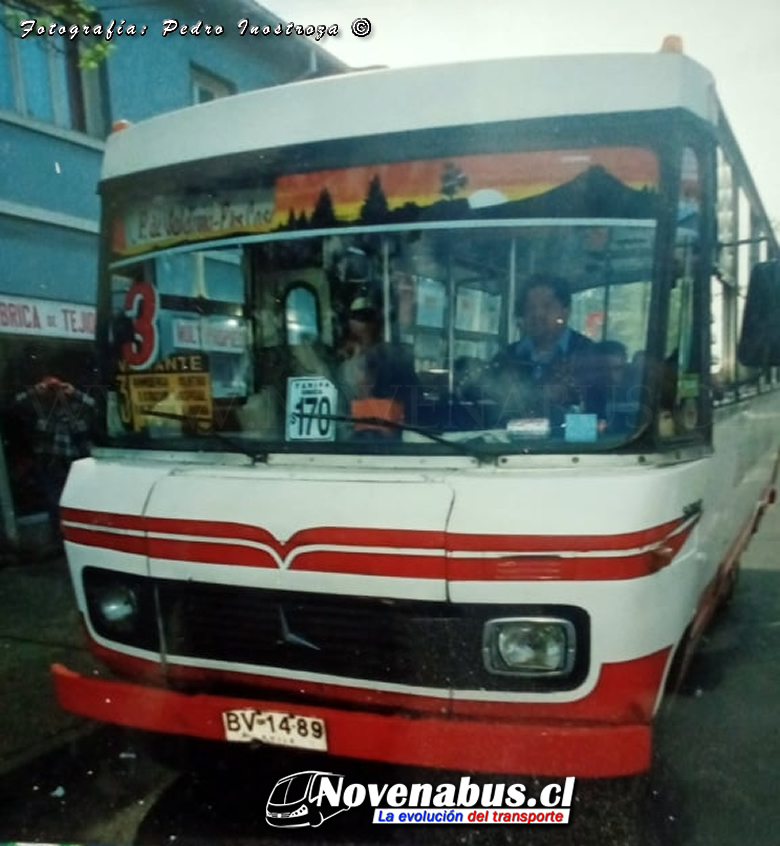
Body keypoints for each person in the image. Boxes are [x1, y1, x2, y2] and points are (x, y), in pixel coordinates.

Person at [490, 274, 595, 421]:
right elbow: (490, 406)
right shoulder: (506, 356)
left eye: (547, 306)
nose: (537, 314)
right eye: (530, 307)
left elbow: (597, 410)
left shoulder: (590, 353)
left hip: (572, 441)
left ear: (566, 311)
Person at [14, 375, 96, 547]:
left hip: (77, 463)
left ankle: (81, 537)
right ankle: (58, 541)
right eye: (52, 389)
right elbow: (15, 406)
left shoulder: (74, 406)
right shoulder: (39, 407)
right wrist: (36, 391)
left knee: (80, 500)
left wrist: (74, 393)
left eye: (58, 388)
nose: (56, 393)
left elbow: (96, 406)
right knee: (54, 503)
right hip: (51, 462)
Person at [337, 296, 417, 436]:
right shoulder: (346, 368)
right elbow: (340, 420)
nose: (365, 324)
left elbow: (412, 405)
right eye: (358, 317)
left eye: (369, 318)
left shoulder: (396, 358)